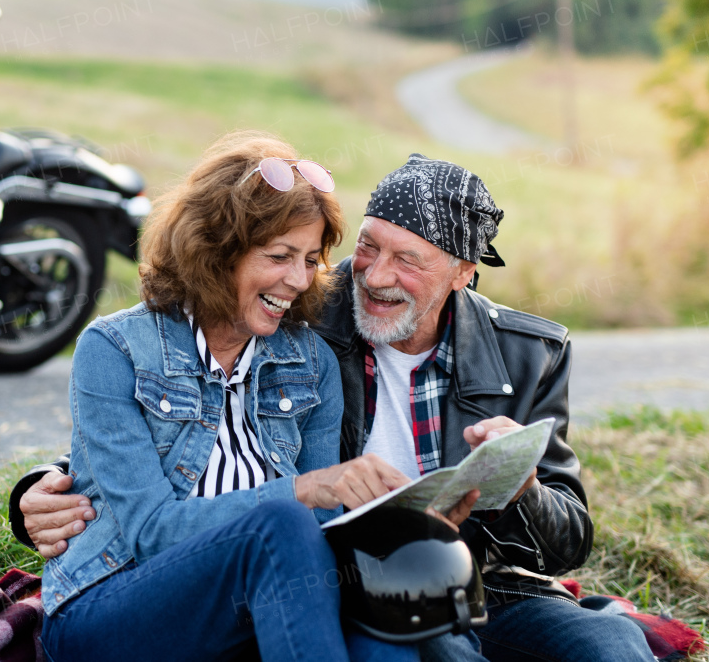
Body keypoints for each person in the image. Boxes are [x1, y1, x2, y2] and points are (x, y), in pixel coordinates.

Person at [12, 155, 655, 662]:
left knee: (608, 648)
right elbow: (158, 444)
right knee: (356, 586)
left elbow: (569, 541)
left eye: (408, 260)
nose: (373, 276)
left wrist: (519, 485)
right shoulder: (310, 319)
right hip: (318, 575)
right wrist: (34, 491)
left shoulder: (527, 353)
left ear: (462, 273)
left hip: (470, 576)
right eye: (369, 248)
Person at [35, 134, 463, 662]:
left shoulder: (310, 363)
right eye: (280, 256)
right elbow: (151, 531)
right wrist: (305, 491)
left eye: (310, 259)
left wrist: (406, 521)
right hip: (114, 602)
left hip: (254, 607)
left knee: (379, 632)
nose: (298, 280)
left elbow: (325, 532)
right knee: (281, 524)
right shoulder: (115, 350)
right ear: (217, 251)